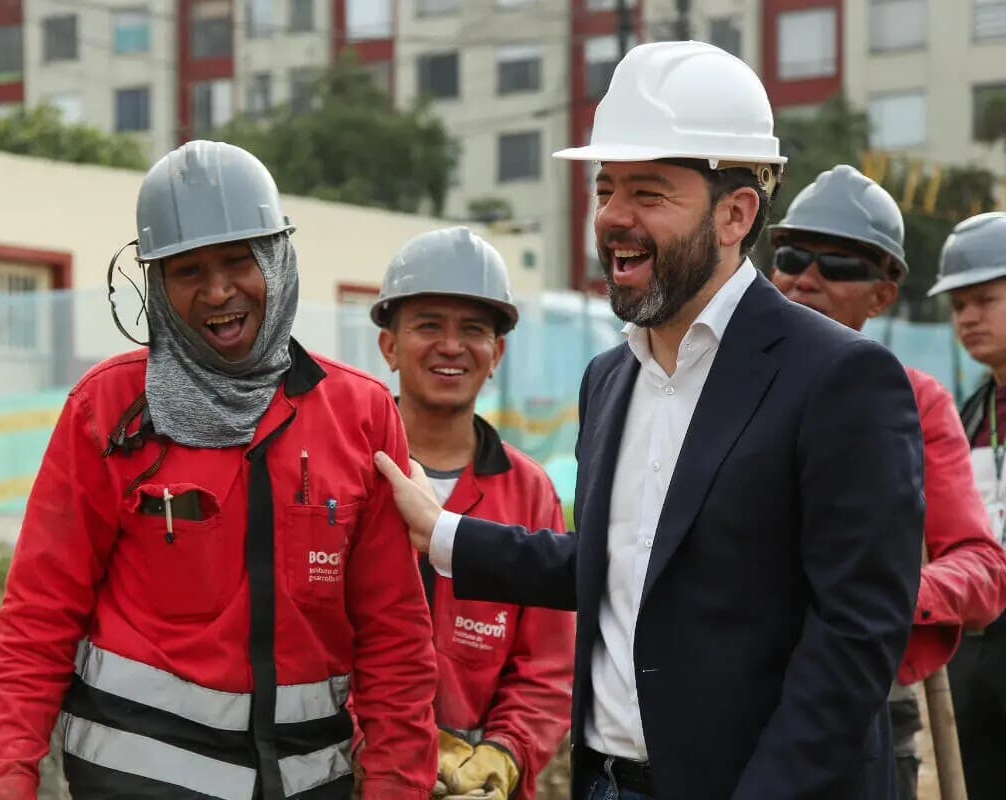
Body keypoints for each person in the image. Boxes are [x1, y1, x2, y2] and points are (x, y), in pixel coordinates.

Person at [374, 40, 925, 800]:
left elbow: (858, 637)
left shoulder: (840, 379)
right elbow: (622, 567)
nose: (614, 220)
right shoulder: (611, 380)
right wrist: (443, 534)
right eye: (606, 189)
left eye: (650, 194)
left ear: (736, 214)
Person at [0, 140, 439, 800]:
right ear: (157, 288)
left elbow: (395, 640)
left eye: (236, 261)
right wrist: (6, 779)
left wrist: (398, 786)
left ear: (277, 260)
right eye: (187, 271)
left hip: (308, 784)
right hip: (134, 780)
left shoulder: (360, 415)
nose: (219, 291)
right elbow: (38, 617)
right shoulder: (107, 409)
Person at [766, 166, 1006, 800]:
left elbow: (982, 568)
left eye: (839, 266)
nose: (805, 279)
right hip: (719, 698)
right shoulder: (703, 388)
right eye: (791, 256)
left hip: (861, 707)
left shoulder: (915, 405)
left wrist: (875, 599)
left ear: (883, 293)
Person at [368, 227, 575, 800]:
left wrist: (504, 755)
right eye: (429, 325)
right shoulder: (349, 471)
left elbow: (549, 665)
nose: (452, 346)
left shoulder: (530, 493)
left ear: (497, 354)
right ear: (389, 345)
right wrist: (385, 743)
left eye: (474, 330)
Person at [927, 211, 1006, 800]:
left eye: (984, 299)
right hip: (979, 649)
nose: (968, 318)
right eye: (958, 307)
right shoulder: (971, 413)